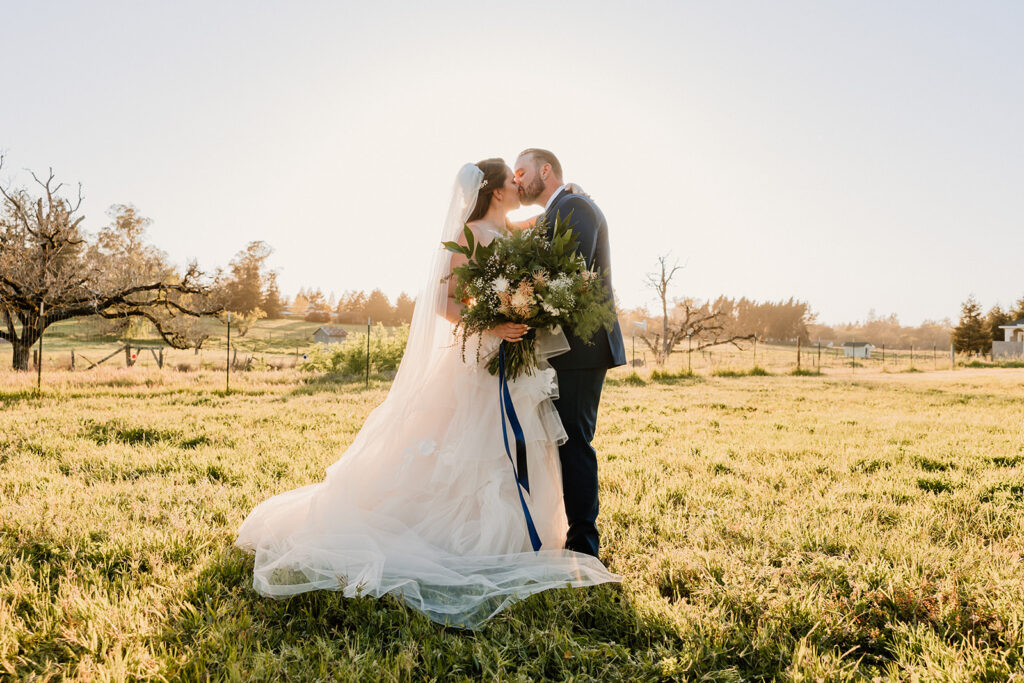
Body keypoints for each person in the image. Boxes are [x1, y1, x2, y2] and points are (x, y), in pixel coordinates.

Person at [234, 159, 619, 629]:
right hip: (482, 354)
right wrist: (495, 322)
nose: (519, 184)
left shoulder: (517, 232)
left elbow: (547, 231)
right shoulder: (468, 234)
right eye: (512, 179)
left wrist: (569, 197)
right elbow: (446, 303)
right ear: (496, 192)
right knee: (468, 443)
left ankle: (533, 534)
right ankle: (447, 531)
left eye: (524, 175)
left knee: (527, 441)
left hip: (516, 357)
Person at [513, 148, 627, 558]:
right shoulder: (559, 209)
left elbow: (570, 273)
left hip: (582, 345)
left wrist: (517, 296)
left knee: (574, 440)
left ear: (547, 170)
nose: (517, 181)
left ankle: (583, 542)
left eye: (522, 171)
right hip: (562, 347)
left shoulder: (575, 205)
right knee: (549, 438)